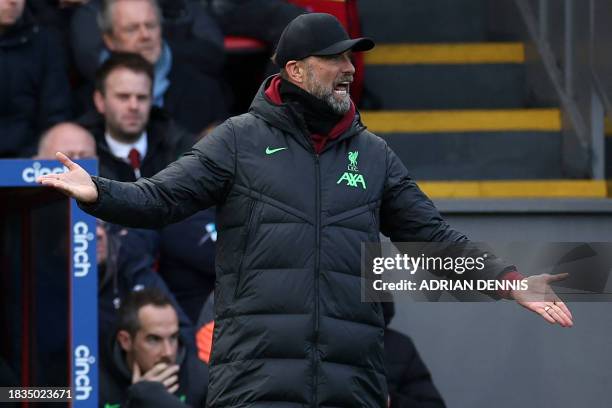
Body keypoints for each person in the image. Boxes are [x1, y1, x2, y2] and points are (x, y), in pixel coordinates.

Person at [38, 13, 573, 408]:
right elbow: (161, 199)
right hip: (257, 386)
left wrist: (507, 279)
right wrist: (100, 193)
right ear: (295, 69)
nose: (348, 68)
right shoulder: (238, 141)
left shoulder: (374, 154)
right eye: (334, 59)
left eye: (350, 58)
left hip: (351, 385)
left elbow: (431, 237)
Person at [72, 0, 228, 134]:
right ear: (109, 40)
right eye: (132, 29)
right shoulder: (86, 101)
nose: (145, 35)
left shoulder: (204, 90)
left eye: (151, 26)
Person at [78, 52, 194, 181]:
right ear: (100, 101)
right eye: (123, 97)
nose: (134, 106)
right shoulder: (78, 153)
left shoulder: (182, 148)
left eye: (142, 97)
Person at [100, 288, 208, 408]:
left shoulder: (199, 377)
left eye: (173, 337)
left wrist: (157, 400)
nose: (168, 352)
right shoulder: (92, 380)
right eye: (154, 339)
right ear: (125, 340)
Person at [0, 0, 72, 157]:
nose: (13, 2)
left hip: (33, 160)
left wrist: (43, 152)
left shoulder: (46, 43)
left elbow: (56, 112)